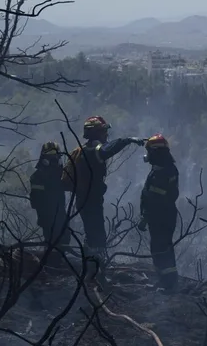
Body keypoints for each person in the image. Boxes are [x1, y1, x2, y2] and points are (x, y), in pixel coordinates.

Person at [62, 116, 146, 263]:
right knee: (98, 235)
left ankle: (89, 264)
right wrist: (128, 140)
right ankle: (96, 267)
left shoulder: (83, 150)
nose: (106, 134)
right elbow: (107, 150)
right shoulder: (92, 150)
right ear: (96, 133)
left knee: (90, 234)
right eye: (103, 131)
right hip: (90, 200)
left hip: (83, 199)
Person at [138, 134, 180, 289]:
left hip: (161, 216)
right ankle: (165, 281)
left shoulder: (162, 172)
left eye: (149, 151)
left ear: (155, 152)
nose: (147, 155)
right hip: (164, 216)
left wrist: (145, 218)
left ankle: (169, 284)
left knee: (161, 248)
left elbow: (155, 199)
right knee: (160, 247)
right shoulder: (164, 169)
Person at [29, 141, 70, 254]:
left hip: (60, 215)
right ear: (44, 159)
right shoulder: (38, 177)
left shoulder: (60, 175)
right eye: (51, 158)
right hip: (47, 217)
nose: (54, 160)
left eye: (56, 157)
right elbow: (35, 201)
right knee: (52, 244)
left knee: (65, 239)